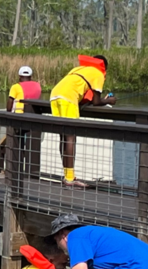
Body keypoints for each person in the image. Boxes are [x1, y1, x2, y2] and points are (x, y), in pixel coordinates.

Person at [49, 56, 117, 188]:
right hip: (68, 98)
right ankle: (70, 179)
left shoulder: (80, 69)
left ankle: (67, 176)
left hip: (55, 95)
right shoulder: (98, 74)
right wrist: (109, 101)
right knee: (70, 137)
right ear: (104, 67)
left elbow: (85, 94)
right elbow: (97, 102)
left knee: (63, 136)